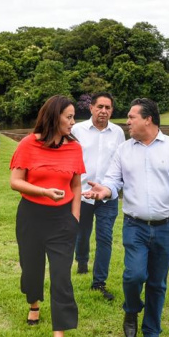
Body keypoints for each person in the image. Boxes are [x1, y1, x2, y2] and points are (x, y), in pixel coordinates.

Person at [85, 98, 169, 337]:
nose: (127, 121)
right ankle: (131, 311)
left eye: (132, 117)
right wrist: (105, 190)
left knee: (157, 283)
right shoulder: (124, 149)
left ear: (149, 119)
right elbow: (113, 180)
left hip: (166, 228)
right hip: (135, 226)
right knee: (133, 275)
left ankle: (152, 333)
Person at [9, 95, 85, 337]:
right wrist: (43, 191)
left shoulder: (75, 148)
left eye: (74, 116)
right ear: (54, 117)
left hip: (62, 219)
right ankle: (33, 302)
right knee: (31, 269)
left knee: (62, 277)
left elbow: (76, 186)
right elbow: (15, 182)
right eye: (69, 117)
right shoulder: (29, 144)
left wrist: (74, 218)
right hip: (31, 215)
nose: (73, 122)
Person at [71, 92, 125, 300]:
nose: (104, 111)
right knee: (82, 233)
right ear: (91, 108)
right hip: (82, 193)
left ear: (112, 110)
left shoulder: (118, 133)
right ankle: (82, 260)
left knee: (105, 238)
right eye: (100, 106)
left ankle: (99, 282)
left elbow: (121, 162)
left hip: (107, 196)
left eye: (108, 107)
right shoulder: (77, 130)